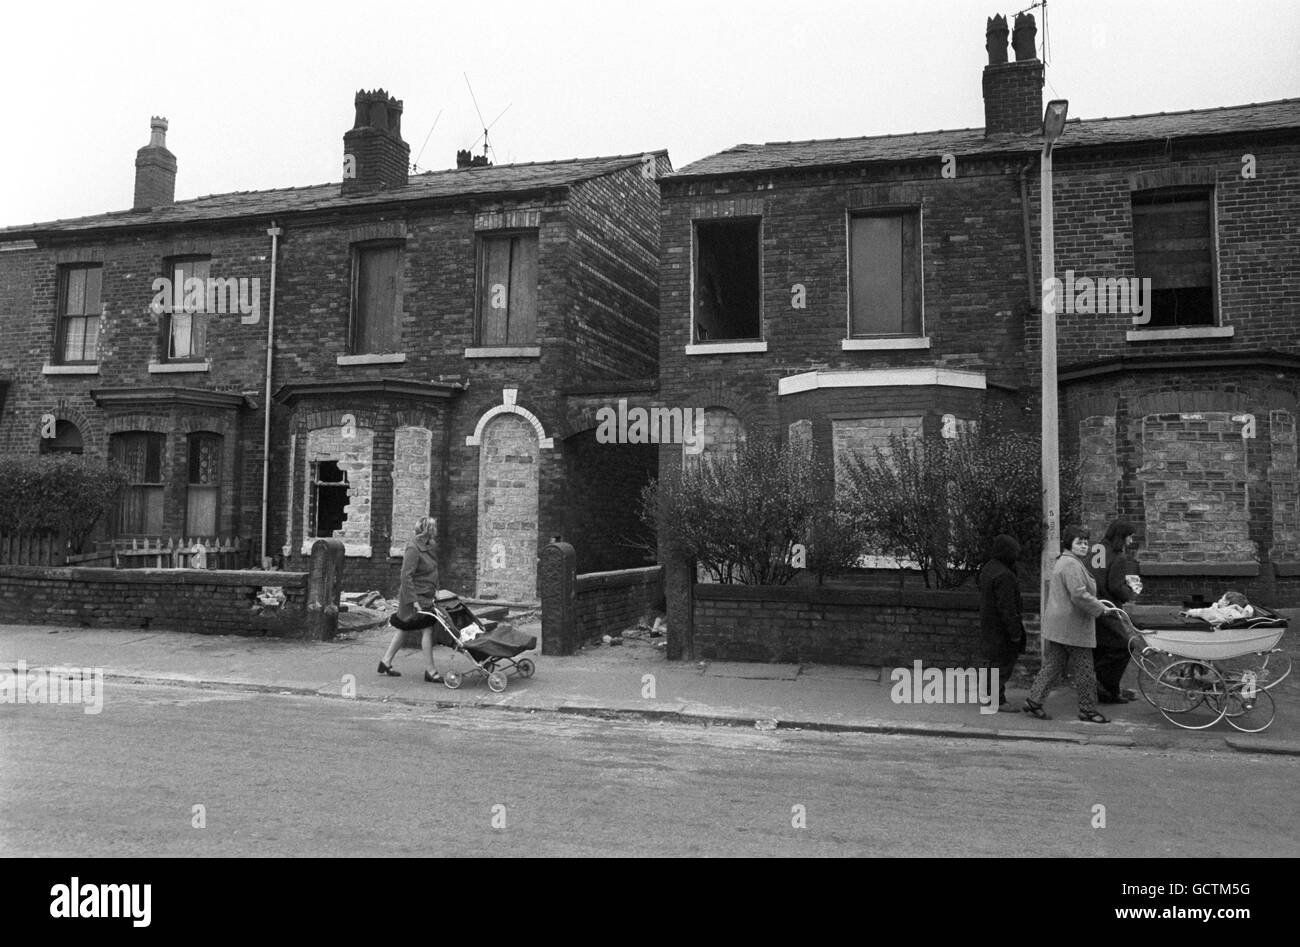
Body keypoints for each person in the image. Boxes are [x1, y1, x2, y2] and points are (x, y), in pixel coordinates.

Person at [1023, 525, 1121, 723]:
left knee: (1053, 664)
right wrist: (1101, 609)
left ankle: (1034, 701)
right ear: (1070, 544)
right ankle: (1087, 709)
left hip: (1061, 625)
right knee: (1084, 669)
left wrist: (1096, 604)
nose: (1084, 546)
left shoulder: (1066, 561)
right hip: (1072, 626)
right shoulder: (1072, 564)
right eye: (1079, 542)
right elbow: (1079, 594)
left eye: (1086, 542)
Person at [378, 516, 449, 683]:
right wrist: (414, 601)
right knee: (427, 629)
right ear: (427, 530)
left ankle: (385, 661)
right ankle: (430, 671)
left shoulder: (430, 545)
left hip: (426, 593)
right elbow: (406, 576)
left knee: (404, 627)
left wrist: (437, 588)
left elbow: (434, 569)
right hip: (414, 595)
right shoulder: (413, 548)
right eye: (434, 527)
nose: (436, 530)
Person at [1088, 520, 1141, 704]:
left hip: (1091, 605)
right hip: (1108, 608)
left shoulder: (1096, 549)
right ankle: (1103, 686)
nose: (1131, 540)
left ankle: (1107, 689)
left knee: (1102, 648)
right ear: (1122, 536)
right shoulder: (1119, 557)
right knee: (1125, 646)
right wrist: (1130, 591)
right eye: (1130, 536)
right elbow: (1115, 586)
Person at [978, 534, 1027, 712]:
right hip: (1001, 629)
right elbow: (1007, 607)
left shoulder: (988, 569)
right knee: (1002, 664)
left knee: (992, 663)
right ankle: (997, 700)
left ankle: (989, 696)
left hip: (989, 625)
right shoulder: (1005, 575)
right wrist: (1015, 632)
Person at [1182, 590, 1254, 626]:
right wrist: (1190, 612)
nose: (1219, 600)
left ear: (1227, 602)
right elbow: (1202, 611)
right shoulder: (1215, 608)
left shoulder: (1232, 611)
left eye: (1221, 598)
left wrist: (1190, 612)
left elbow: (1240, 618)